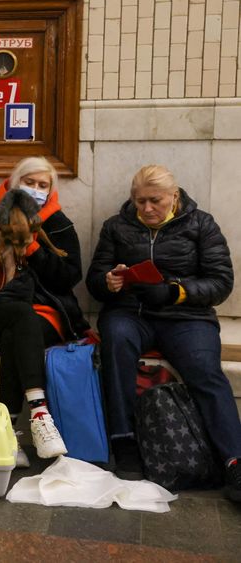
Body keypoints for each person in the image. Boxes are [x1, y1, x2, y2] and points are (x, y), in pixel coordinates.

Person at [86, 164, 240, 500]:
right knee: (116, 344)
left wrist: (175, 290)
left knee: (204, 370)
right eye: (140, 201)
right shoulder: (117, 226)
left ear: (174, 195)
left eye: (155, 201)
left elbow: (220, 282)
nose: (147, 209)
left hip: (187, 317)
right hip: (131, 312)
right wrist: (109, 281)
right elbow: (95, 280)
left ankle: (234, 460)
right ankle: (123, 441)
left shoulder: (201, 224)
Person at [0, 156, 89, 464]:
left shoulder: (58, 223)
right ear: (14, 183)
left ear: (51, 190)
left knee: (20, 326)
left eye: (43, 185)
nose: (35, 190)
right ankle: (39, 414)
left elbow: (69, 277)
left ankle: (8, 435)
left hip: (45, 312)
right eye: (29, 183)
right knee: (18, 319)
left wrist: (34, 249)